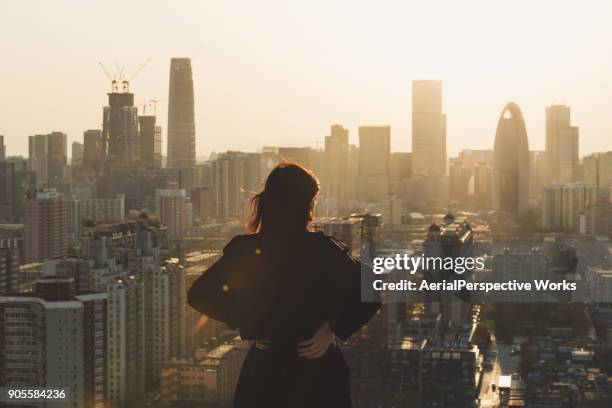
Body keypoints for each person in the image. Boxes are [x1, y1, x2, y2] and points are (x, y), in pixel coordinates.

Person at [187, 161, 381, 408]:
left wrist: (250, 324)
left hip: (266, 373)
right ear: (305, 205)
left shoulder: (246, 250)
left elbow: (200, 294)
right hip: (316, 373)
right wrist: (332, 328)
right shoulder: (322, 250)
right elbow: (371, 288)